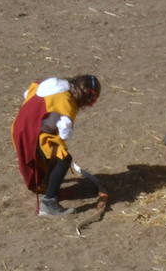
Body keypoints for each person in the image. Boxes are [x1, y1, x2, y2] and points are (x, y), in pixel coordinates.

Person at [11, 74, 101, 216]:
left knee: (51, 155)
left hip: (20, 127)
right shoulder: (66, 101)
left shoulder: (54, 83)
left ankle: (48, 186)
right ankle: (49, 203)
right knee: (63, 159)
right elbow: (65, 133)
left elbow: (27, 94)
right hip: (35, 134)